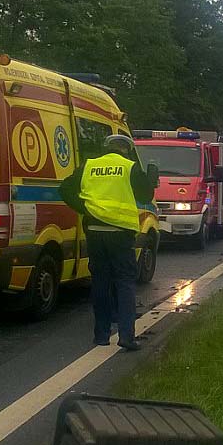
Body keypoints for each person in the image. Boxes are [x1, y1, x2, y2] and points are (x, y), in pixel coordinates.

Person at [59, 134, 156, 351]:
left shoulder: (89, 166)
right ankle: (126, 336)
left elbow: (65, 189)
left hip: (94, 231)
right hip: (120, 233)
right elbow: (146, 195)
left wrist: (85, 209)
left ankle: (101, 335)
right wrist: (150, 179)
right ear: (126, 150)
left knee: (100, 282)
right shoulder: (128, 167)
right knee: (125, 281)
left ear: (106, 148)